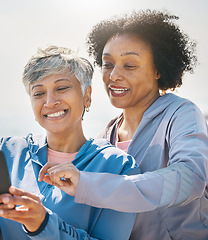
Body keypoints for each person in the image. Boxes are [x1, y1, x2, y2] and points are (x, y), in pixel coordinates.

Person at [39, 10, 208, 240]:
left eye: (129, 65)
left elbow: (190, 178)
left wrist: (89, 185)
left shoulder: (180, 113)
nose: (114, 76)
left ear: (158, 69)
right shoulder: (104, 138)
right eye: (108, 64)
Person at [0, 46, 140, 239]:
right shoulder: (9, 152)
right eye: (38, 93)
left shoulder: (119, 168)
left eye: (62, 88)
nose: (49, 101)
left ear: (87, 96)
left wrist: (44, 225)